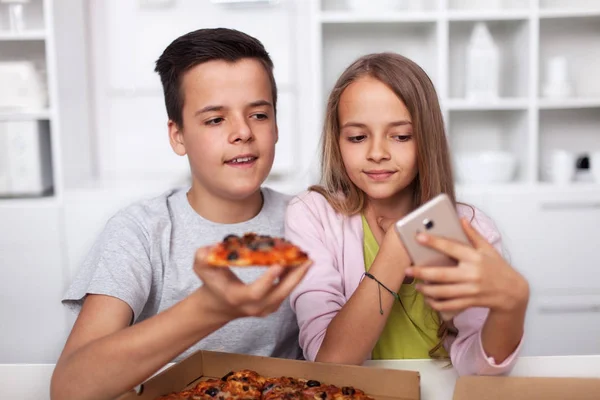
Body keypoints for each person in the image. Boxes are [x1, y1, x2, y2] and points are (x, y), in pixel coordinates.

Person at [50, 28, 310, 400]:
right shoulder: (141, 231)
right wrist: (208, 308)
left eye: (258, 114)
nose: (242, 132)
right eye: (215, 120)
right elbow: (69, 388)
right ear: (178, 136)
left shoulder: (309, 220)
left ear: (276, 125)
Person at [285, 52, 529, 375]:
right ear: (338, 140)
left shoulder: (471, 228)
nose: (377, 154)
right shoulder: (311, 215)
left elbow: (480, 372)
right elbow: (330, 363)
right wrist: (397, 250)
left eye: (400, 136)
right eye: (357, 137)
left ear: (426, 139)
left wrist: (510, 307)